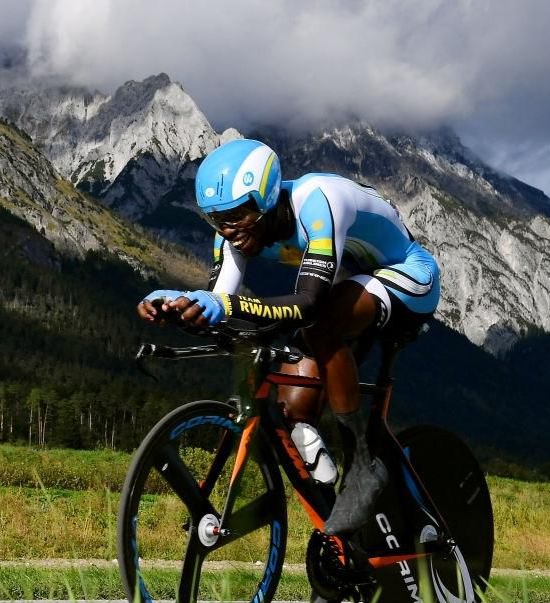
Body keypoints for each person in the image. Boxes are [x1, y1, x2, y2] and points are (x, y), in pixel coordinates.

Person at [136, 138, 440, 540]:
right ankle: (343, 550)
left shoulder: (319, 201)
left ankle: (361, 466)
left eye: (241, 216)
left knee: (320, 326)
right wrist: (179, 306)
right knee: (293, 411)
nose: (231, 230)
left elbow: (310, 303)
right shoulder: (233, 235)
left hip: (406, 274)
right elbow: (220, 305)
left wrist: (226, 306)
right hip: (349, 283)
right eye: (218, 220)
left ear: (266, 199)